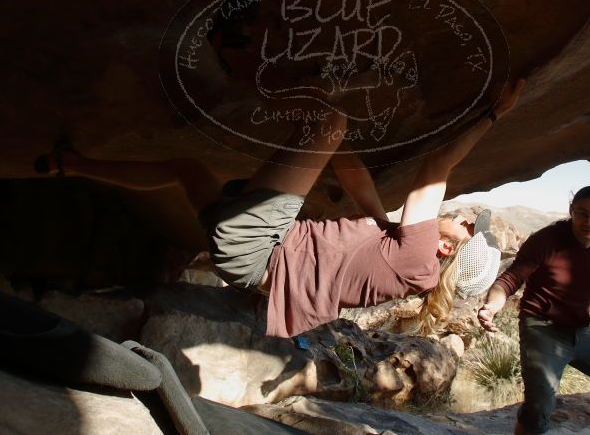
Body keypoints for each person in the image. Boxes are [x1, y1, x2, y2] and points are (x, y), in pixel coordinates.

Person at [35, 79, 525, 338]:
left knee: (329, 118)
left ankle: (264, 71)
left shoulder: (418, 257)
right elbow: (359, 184)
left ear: (446, 248)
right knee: (189, 170)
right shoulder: (403, 257)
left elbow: (435, 168)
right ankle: (72, 164)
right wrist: (335, 154)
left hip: (261, 246)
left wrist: (494, 113)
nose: (462, 216)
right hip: (249, 260)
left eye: (466, 227)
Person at [477, 186, 590, 435]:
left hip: (580, 332)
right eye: (582, 213)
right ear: (571, 211)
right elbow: (510, 280)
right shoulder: (547, 239)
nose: (589, 221)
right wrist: (491, 306)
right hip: (541, 328)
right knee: (539, 406)